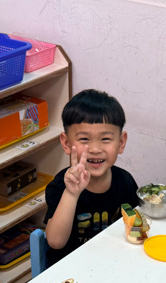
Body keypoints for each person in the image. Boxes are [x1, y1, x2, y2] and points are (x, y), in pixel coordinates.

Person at [43, 89, 138, 267]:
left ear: (121, 142)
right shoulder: (61, 186)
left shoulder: (125, 181)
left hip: (113, 263)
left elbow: (134, 226)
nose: (95, 149)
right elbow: (55, 242)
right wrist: (71, 194)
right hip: (71, 271)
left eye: (106, 139)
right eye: (84, 139)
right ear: (66, 143)